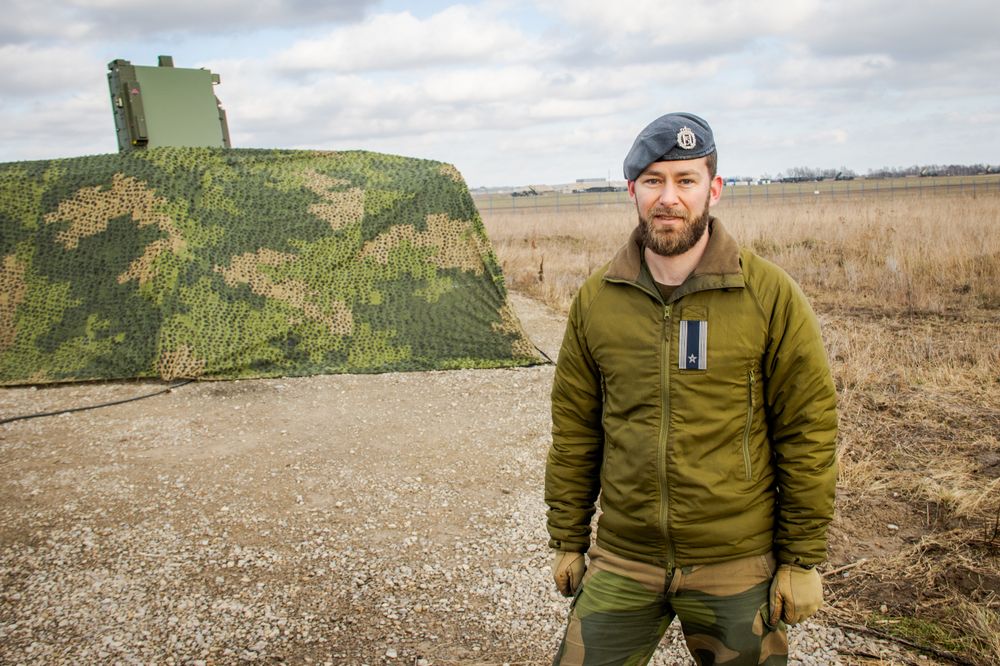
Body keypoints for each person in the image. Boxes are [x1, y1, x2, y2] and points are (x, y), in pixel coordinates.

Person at [544, 112, 838, 666]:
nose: (668, 198)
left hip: (737, 562)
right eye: (653, 181)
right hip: (625, 559)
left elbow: (808, 432)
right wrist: (568, 536)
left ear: (714, 189)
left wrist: (801, 559)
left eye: (685, 180)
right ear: (632, 190)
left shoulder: (768, 295)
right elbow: (576, 431)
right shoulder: (597, 301)